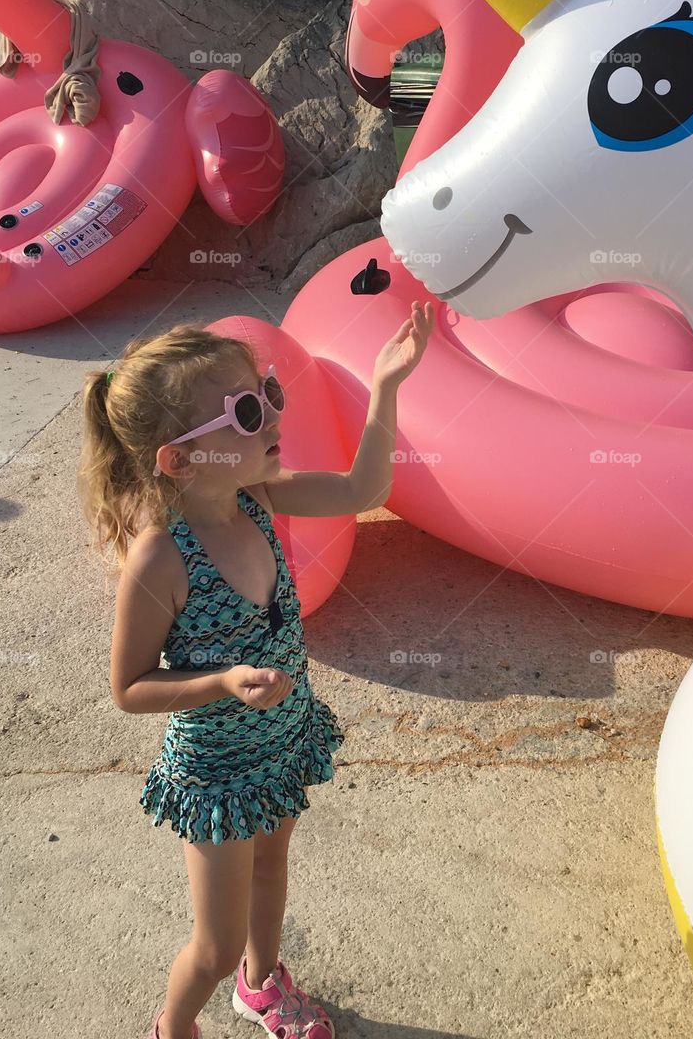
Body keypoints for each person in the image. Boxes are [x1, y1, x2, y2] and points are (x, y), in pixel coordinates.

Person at [77, 303, 435, 1039]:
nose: (273, 415)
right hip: (216, 772)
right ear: (179, 459)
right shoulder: (161, 557)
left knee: (273, 872)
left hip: (283, 740)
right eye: (247, 411)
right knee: (213, 946)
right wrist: (219, 681)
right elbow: (129, 688)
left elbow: (362, 490)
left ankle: (262, 985)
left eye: (268, 394)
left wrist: (386, 385)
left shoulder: (258, 495)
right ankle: (175, 1025)